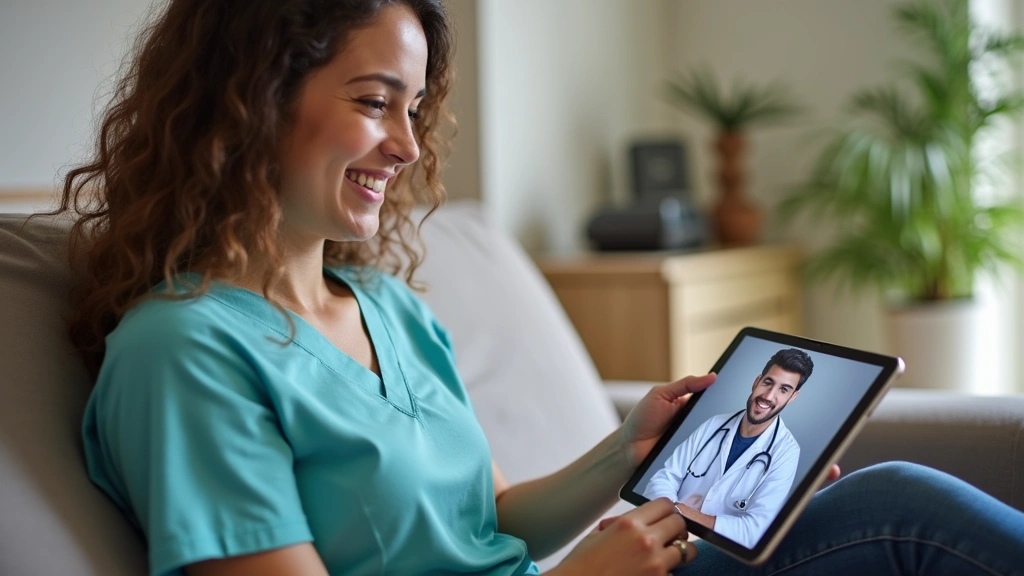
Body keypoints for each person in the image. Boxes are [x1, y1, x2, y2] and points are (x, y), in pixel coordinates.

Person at [54, 1, 1024, 575]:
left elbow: (490, 516)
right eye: (372, 101)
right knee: (897, 514)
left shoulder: (387, 308)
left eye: (415, 108)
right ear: (248, 101)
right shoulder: (186, 353)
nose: (405, 144)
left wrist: (624, 452)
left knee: (875, 506)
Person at [643, 349, 811, 548]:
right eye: (768, 382)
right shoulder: (714, 425)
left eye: (783, 389)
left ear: (792, 397)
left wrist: (678, 511)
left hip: (716, 551)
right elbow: (662, 479)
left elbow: (753, 531)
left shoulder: (787, 451)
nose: (769, 396)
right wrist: (676, 517)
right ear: (757, 381)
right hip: (666, 535)